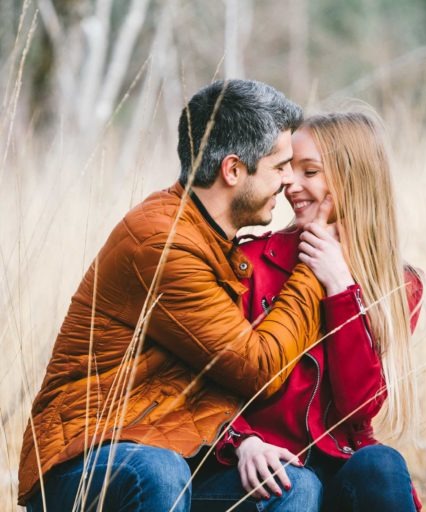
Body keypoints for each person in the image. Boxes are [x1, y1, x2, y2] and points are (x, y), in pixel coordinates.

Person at [18, 79, 330, 511]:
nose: (288, 181)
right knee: (159, 471)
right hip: (82, 458)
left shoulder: (215, 240)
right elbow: (257, 367)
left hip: (166, 445)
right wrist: (313, 268)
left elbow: (200, 378)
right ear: (234, 170)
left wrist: (243, 441)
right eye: (279, 167)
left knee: (292, 486)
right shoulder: (162, 244)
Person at [212, 112, 424, 511]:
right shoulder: (250, 263)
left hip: (339, 466)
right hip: (262, 467)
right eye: (288, 168)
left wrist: (339, 287)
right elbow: (210, 375)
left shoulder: (399, 285)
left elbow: (358, 408)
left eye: (310, 170)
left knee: (382, 464)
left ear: (353, 181)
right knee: (300, 486)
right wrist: (242, 441)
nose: (290, 182)